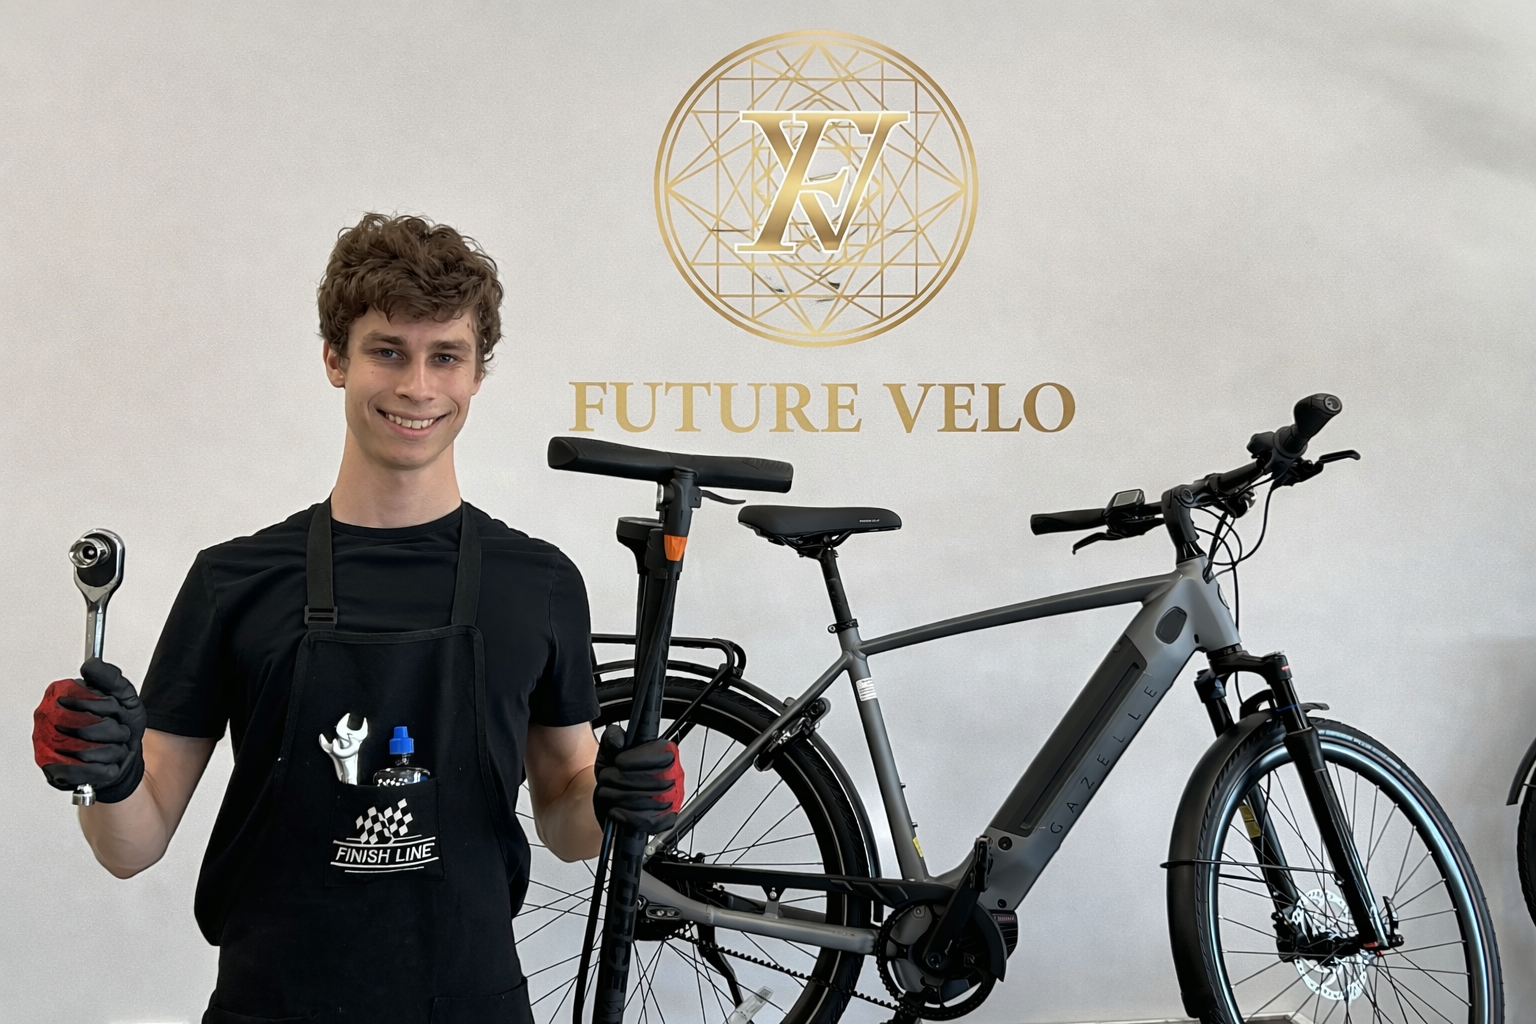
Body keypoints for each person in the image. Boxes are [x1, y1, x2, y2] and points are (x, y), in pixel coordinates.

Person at [31, 213, 684, 1024]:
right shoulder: (235, 582)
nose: (418, 387)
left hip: (471, 1007)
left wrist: (620, 800)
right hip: (272, 1008)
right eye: (388, 351)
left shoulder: (538, 583)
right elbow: (131, 846)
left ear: (477, 373)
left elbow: (565, 819)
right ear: (335, 360)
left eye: (445, 356)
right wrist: (107, 772)